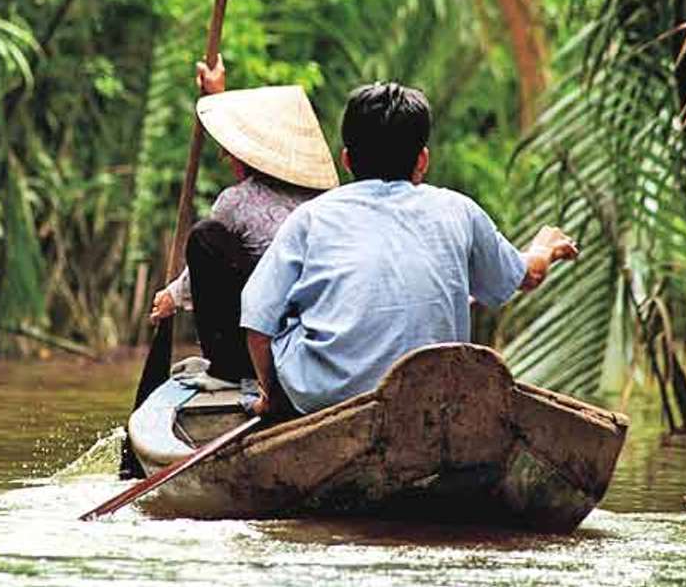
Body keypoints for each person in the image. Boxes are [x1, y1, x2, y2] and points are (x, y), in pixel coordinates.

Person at [241, 81, 578, 417]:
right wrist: (544, 248)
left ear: (346, 160)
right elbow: (528, 275)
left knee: (284, 315)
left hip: (327, 400)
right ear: (422, 160)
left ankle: (280, 401)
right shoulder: (459, 209)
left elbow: (257, 317)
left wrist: (272, 398)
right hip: (434, 396)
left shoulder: (311, 217)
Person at [149, 57, 338, 381]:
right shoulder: (331, 201)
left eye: (233, 154)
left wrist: (171, 297)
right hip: (325, 343)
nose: (228, 159)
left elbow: (201, 273)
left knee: (205, 238)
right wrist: (215, 94)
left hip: (263, 348)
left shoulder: (235, 200)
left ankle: (225, 367)